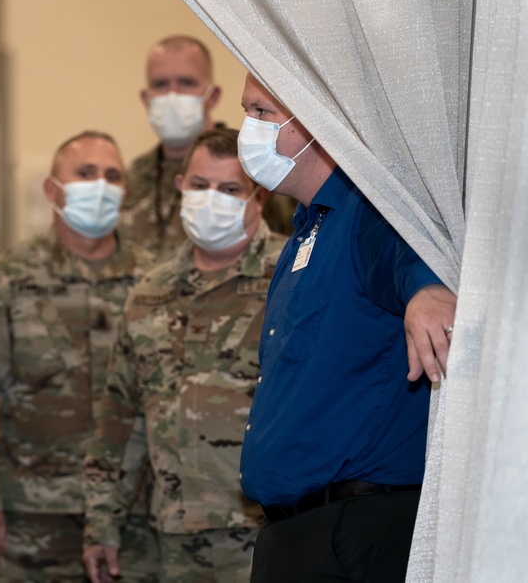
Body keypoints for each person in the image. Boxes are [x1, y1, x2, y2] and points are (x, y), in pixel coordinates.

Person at [235, 74, 457, 583]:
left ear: (315, 124)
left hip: (353, 533)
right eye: (246, 111)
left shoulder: (370, 210)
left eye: (263, 113)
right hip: (298, 535)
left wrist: (427, 291)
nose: (248, 129)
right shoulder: (310, 226)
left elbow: (412, 257)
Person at [0, 131, 159, 582]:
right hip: (32, 520)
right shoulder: (10, 278)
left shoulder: (154, 282)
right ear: (51, 189)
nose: (100, 185)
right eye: (85, 173)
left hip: (134, 515)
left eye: (112, 176)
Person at [83, 127, 286, 583]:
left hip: (270, 534)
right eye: (199, 185)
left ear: (259, 194)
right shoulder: (149, 293)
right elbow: (121, 420)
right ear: (180, 187)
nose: (211, 198)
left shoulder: (291, 279)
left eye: (230, 188)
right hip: (173, 538)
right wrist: (101, 523)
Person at [119, 36, 296, 260]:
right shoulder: (130, 181)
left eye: (186, 83)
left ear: (212, 96)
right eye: (160, 85)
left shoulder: (257, 167)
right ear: (146, 98)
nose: (173, 95)